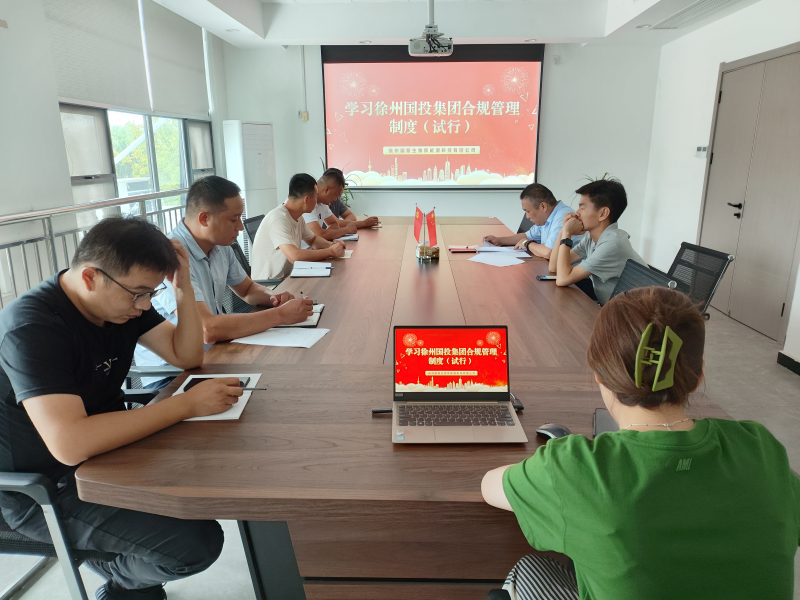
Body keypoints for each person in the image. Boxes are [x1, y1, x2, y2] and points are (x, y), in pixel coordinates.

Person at [481, 287, 800, 599]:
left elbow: (489, 486)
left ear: (599, 374)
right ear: (698, 375)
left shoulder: (575, 469)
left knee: (530, 570)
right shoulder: (762, 450)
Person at [0, 217, 244, 600]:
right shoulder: (32, 328)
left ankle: (127, 569)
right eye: (138, 294)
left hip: (109, 454)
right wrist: (184, 405)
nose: (144, 305)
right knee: (196, 542)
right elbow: (70, 444)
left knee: (219, 468)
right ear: (90, 277)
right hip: (44, 489)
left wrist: (183, 290)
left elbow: (187, 356)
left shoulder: (119, 304)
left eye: (151, 293)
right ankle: (120, 579)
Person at [134, 176, 313, 389]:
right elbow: (207, 329)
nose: (240, 227)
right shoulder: (173, 256)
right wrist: (280, 315)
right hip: (172, 374)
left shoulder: (221, 246)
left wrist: (274, 297)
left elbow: (247, 289)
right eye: (233, 219)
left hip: (214, 355)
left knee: (287, 379)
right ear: (204, 218)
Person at [548, 179, 646, 305]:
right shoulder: (592, 238)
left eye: (582, 208)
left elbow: (563, 279)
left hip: (639, 313)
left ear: (603, 213)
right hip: (615, 308)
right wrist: (563, 230)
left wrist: (567, 233)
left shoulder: (612, 243)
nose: (576, 213)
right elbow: (554, 266)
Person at [251, 173, 346, 280]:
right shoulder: (278, 219)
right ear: (306, 199)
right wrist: (330, 251)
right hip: (271, 284)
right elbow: (295, 256)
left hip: (288, 278)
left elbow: (313, 240)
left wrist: (333, 245)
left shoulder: (298, 217)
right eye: (316, 197)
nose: (317, 201)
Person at [483, 183, 576, 259]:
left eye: (528, 211)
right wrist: (499, 240)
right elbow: (527, 235)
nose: (527, 216)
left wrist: (527, 243)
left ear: (543, 206)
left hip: (572, 275)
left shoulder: (563, 216)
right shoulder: (547, 216)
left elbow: (548, 252)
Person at [303, 170, 358, 241]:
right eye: (336, 195)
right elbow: (320, 235)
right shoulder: (308, 202)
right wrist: (346, 230)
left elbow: (334, 224)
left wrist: (327, 234)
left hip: (316, 246)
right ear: (327, 190)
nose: (335, 199)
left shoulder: (323, 203)